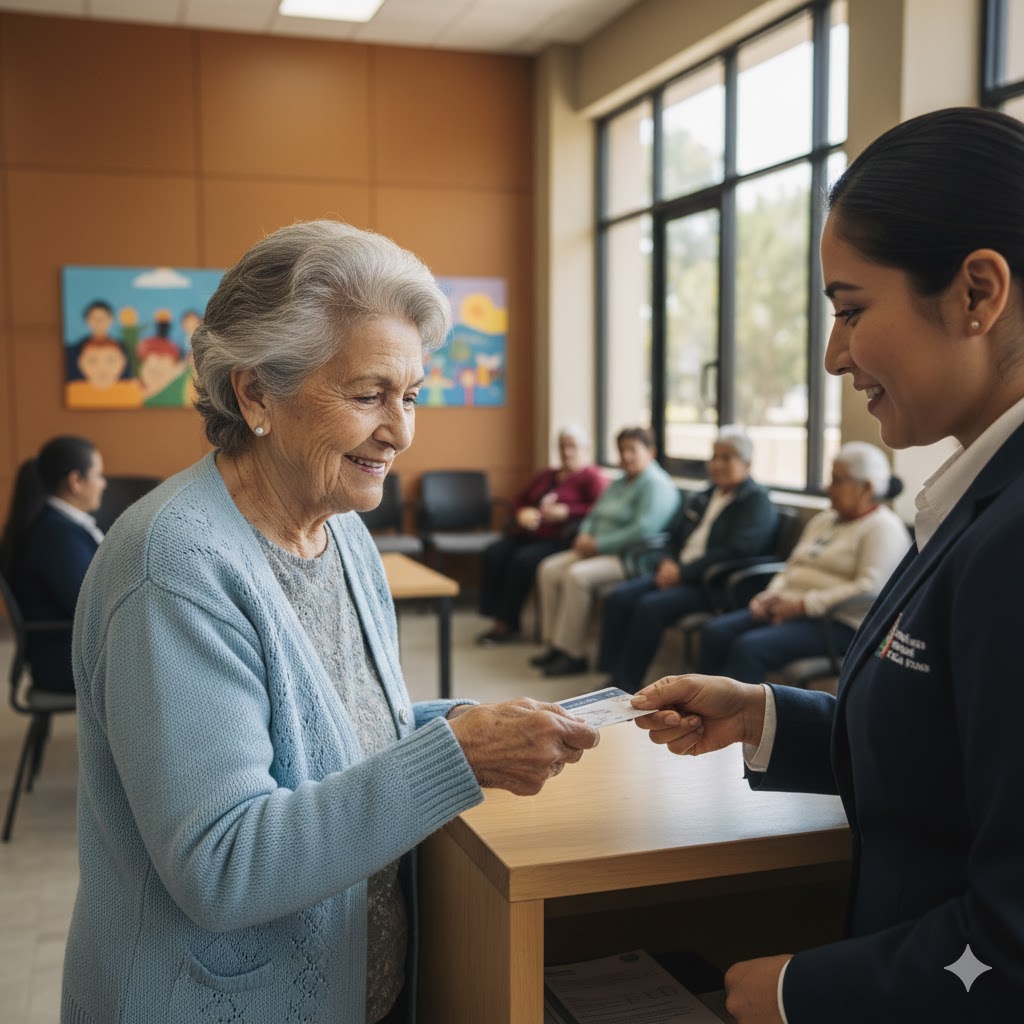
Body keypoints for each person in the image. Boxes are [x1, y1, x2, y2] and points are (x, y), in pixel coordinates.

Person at [61, 221, 600, 1024]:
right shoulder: (173, 567)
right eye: (368, 394)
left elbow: (336, 741)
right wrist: (456, 756)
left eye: (411, 395)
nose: (401, 430)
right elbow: (224, 863)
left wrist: (468, 728)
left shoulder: (340, 526)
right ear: (255, 394)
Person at [631, 107, 1024, 1023]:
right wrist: (768, 716)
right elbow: (953, 750)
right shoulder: (980, 494)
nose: (834, 354)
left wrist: (806, 990)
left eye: (851, 310)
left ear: (976, 293)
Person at [697, 442, 909, 685]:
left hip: (839, 624)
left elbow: (870, 587)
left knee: (749, 647)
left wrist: (802, 605)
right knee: (716, 631)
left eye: (837, 481)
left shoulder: (883, 528)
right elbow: (792, 566)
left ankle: (742, 719)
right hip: (792, 608)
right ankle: (701, 707)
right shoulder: (824, 520)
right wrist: (770, 595)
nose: (828, 488)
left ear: (867, 487)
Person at [596, 426, 778, 692]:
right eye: (714, 457)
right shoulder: (703, 496)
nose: (717, 464)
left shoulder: (756, 502)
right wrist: (667, 562)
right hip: (678, 571)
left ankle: (626, 682)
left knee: (650, 606)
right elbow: (673, 536)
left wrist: (683, 573)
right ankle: (611, 675)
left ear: (747, 463)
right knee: (620, 597)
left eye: (727, 458)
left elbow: (737, 551)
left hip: (714, 583)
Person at [532, 426, 681, 677]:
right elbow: (595, 513)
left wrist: (598, 544)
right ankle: (555, 644)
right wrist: (584, 534)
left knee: (577, 576)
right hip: (596, 548)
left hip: (632, 556)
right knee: (549, 569)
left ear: (651, 452)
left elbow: (642, 530)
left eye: (633, 450)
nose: (626, 456)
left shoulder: (657, 485)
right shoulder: (620, 481)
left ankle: (573, 653)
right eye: (622, 450)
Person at [476, 425, 608, 645]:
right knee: (494, 552)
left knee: (522, 561)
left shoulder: (592, 477)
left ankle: (507, 623)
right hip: (530, 533)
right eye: (563, 446)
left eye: (573, 446)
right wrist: (522, 514)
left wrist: (567, 512)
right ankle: (495, 615)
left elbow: (600, 509)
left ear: (586, 449)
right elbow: (519, 500)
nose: (567, 452)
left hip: (561, 539)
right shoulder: (549, 474)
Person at [0, 436, 106, 695]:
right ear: (75, 481)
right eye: (99, 475)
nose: (103, 484)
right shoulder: (57, 537)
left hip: (64, 651)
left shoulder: (59, 527)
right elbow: (90, 608)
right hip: (63, 662)